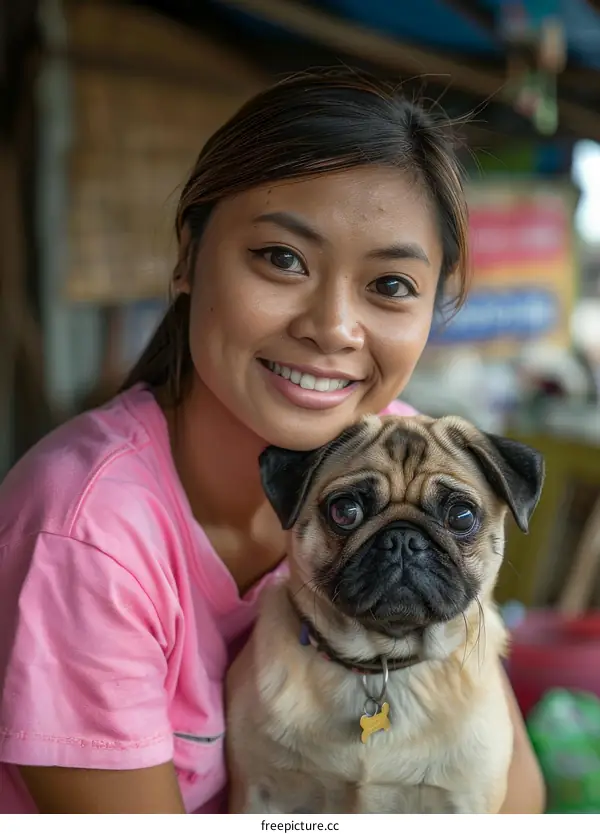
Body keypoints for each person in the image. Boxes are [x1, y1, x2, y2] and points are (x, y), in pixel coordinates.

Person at [0, 69, 545, 814]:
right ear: (189, 257)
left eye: (389, 285)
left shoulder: (406, 451)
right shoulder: (86, 536)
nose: (332, 326)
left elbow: (516, 801)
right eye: (282, 259)